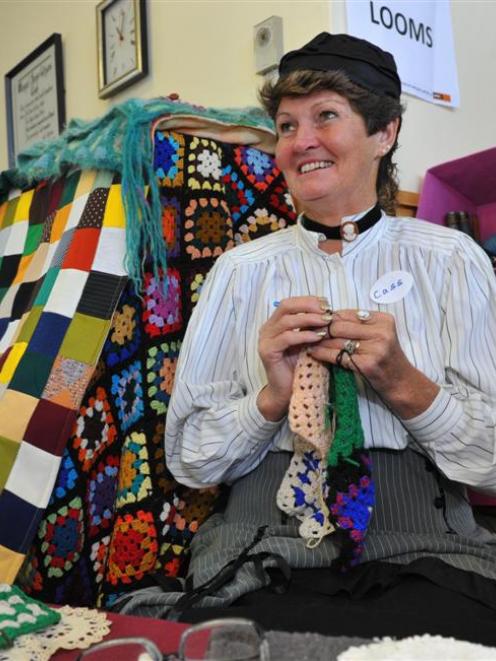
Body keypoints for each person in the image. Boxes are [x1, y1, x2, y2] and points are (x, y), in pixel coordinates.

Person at [125, 32, 496, 643]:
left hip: (427, 547)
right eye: (288, 125)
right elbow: (190, 459)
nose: (303, 142)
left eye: (327, 116)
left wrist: (406, 386)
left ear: (385, 133)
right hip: (262, 547)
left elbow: (489, 467)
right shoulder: (239, 272)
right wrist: (269, 400)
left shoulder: (452, 260)